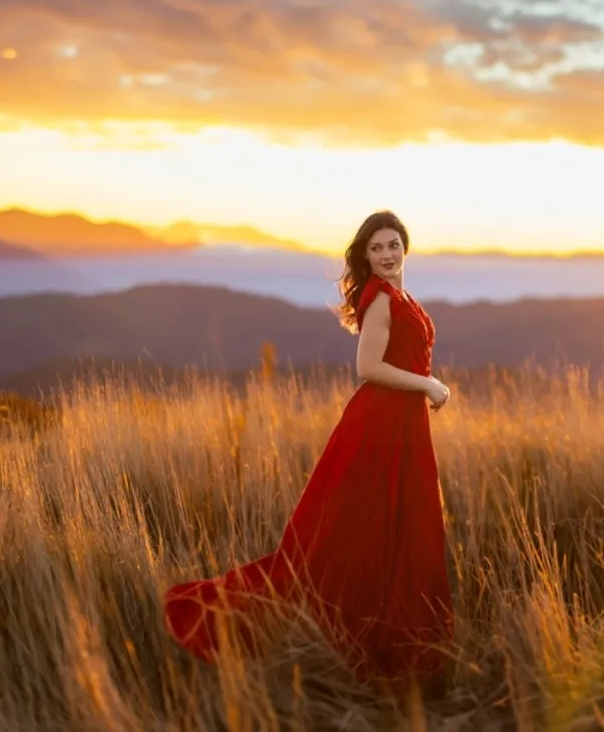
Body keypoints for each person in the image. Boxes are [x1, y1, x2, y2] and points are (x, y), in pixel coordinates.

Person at [163, 210, 455, 691]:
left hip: (401, 425)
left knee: (393, 529)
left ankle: (395, 638)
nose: (386, 255)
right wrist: (428, 384)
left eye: (392, 245)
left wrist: (423, 388)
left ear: (405, 246)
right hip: (379, 426)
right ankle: (350, 637)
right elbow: (368, 367)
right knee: (353, 535)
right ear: (365, 256)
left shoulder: (399, 296)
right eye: (376, 248)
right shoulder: (380, 300)